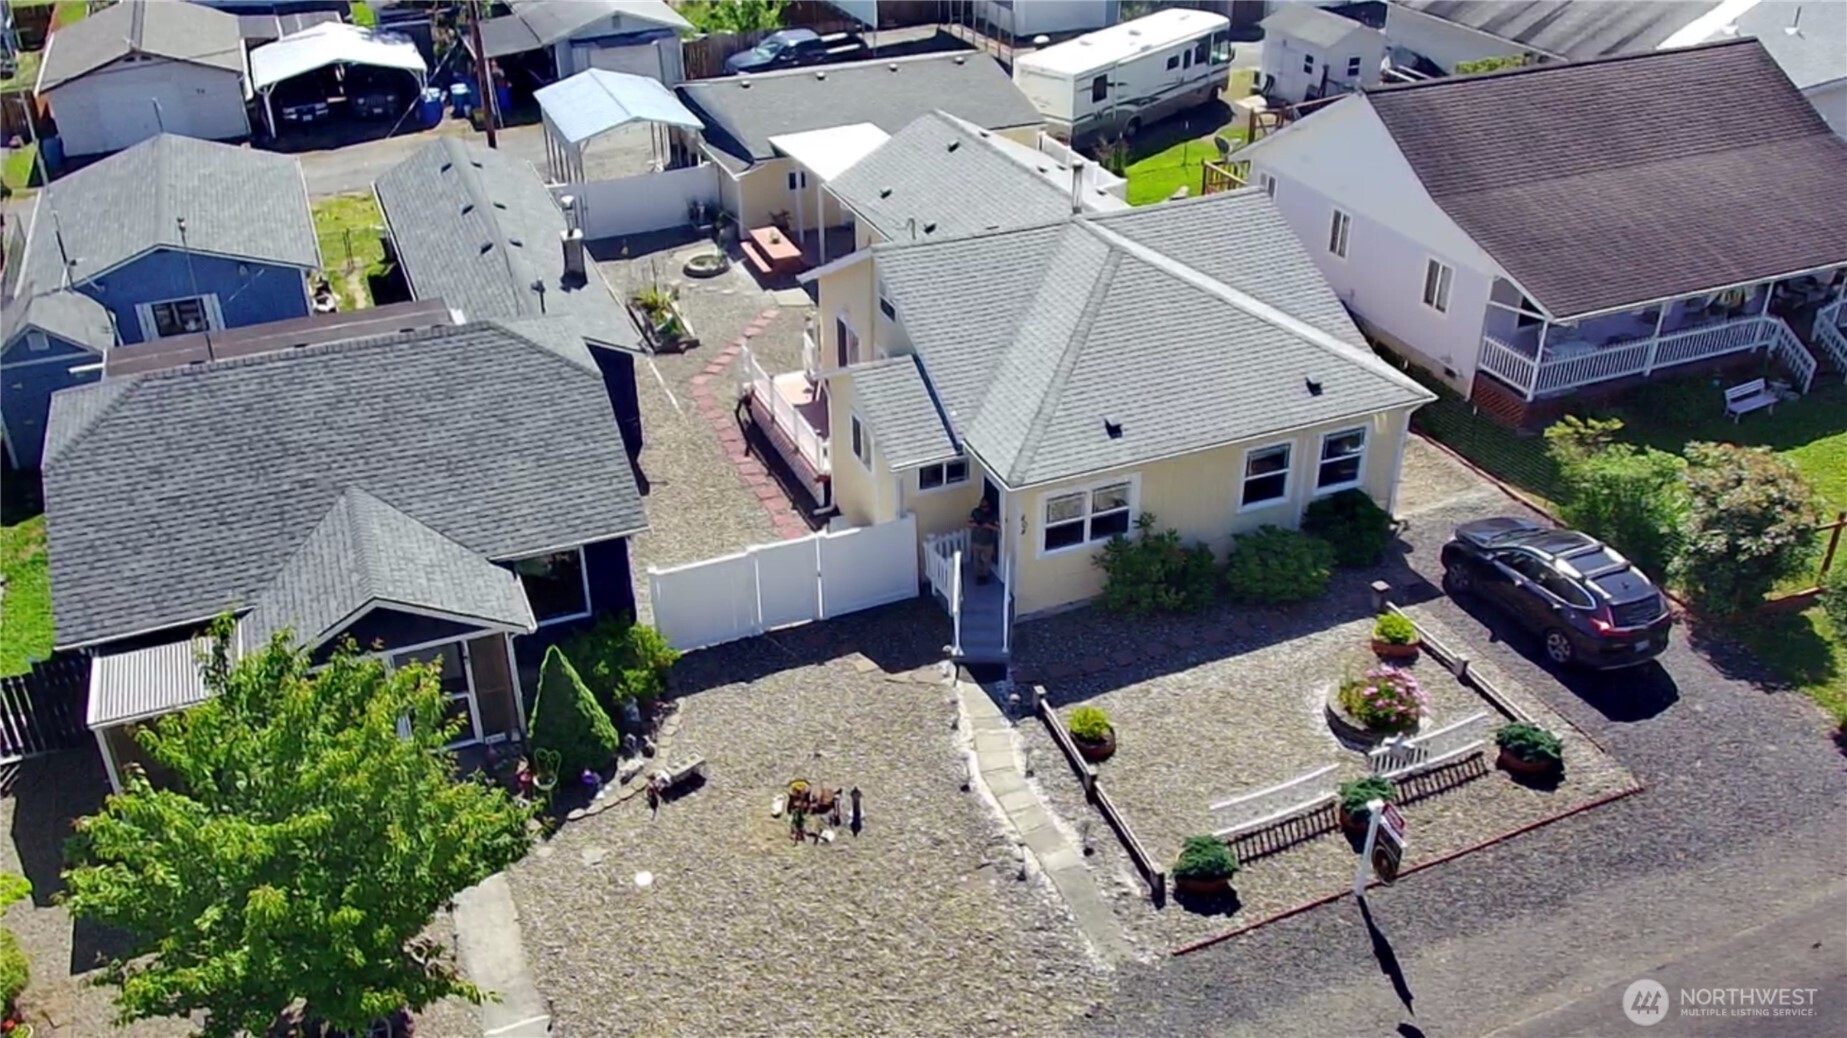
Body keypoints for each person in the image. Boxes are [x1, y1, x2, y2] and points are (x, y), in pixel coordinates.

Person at [968, 497, 999, 584]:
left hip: (988, 543)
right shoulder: (975, 512)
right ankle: (978, 576)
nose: (984, 508)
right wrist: (977, 524)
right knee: (976, 560)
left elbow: (997, 528)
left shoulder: (993, 515)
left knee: (987, 561)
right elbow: (969, 523)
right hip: (976, 542)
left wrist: (988, 526)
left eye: (985, 506)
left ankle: (985, 576)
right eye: (982, 506)